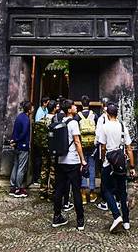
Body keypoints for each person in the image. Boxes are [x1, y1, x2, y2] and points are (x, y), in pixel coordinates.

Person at [98, 103, 136, 232]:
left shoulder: (104, 127)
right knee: (122, 191)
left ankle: (116, 215)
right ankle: (126, 221)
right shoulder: (122, 126)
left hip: (108, 163)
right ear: (117, 113)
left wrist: (103, 158)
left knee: (106, 190)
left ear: (107, 114)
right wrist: (132, 166)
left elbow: (103, 146)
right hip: (121, 162)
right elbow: (129, 148)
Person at [51, 99, 87, 231]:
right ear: (69, 110)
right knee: (76, 190)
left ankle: (56, 217)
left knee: (59, 190)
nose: (75, 107)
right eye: (73, 106)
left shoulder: (60, 122)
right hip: (73, 161)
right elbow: (77, 142)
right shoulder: (73, 123)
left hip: (61, 161)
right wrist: (82, 159)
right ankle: (80, 220)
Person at [9, 100, 32, 198]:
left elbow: (15, 130)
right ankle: (18, 189)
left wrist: (13, 140)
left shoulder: (19, 117)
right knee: (21, 168)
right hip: (22, 145)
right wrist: (17, 140)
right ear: (29, 109)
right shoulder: (26, 119)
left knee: (16, 165)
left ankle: (13, 187)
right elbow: (24, 133)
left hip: (16, 145)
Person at [78, 95, 98, 204]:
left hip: (82, 145)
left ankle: (83, 194)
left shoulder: (78, 116)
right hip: (92, 145)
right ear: (89, 104)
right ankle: (92, 192)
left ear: (81, 104)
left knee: (83, 167)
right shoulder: (94, 115)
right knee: (92, 167)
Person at [37, 100, 57, 200]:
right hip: (52, 149)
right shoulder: (55, 121)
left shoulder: (42, 119)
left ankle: (42, 191)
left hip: (43, 148)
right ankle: (51, 192)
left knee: (44, 169)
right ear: (54, 109)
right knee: (53, 170)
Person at [95, 97, 110, 211]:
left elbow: (98, 136)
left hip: (104, 150)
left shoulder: (101, 119)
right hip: (116, 151)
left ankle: (105, 198)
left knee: (104, 174)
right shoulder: (116, 119)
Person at [32, 96, 50, 184]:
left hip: (44, 139)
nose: (48, 104)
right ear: (44, 103)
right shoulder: (39, 112)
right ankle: (36, 178)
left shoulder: (46, 110)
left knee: (42, 159)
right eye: (48, 102)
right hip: (39, 139)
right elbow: (38, 125)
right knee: (38, 159)